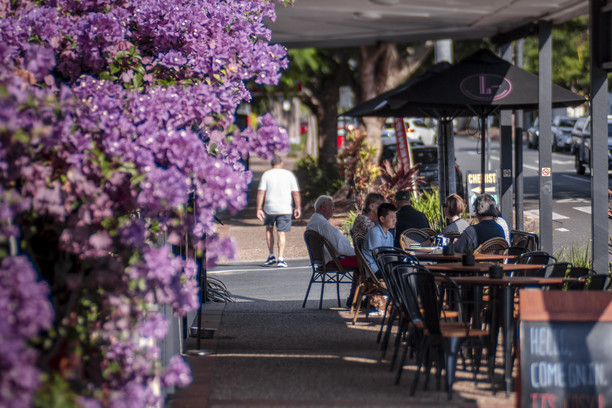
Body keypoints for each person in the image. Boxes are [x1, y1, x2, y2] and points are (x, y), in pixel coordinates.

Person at [256, 155, 301, 268]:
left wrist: (259, 208)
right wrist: (298, 207)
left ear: (272, 165)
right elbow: (295, 192)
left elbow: (261, 192)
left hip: (270, 208)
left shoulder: (266, 174)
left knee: (269, 229)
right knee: (281, 232)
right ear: (281, 164)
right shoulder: (289, 174)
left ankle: (271, 255)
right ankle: (280, 258)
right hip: (285, 208)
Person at [362, 203, 397, 276]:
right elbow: (378, 256)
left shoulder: (389, 235)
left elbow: (390, 254)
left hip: (385, 267)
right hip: (375, 269)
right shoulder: (375, 232)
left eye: (395, 217)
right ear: (382, 219)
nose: (395, 220)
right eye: (391, 217)